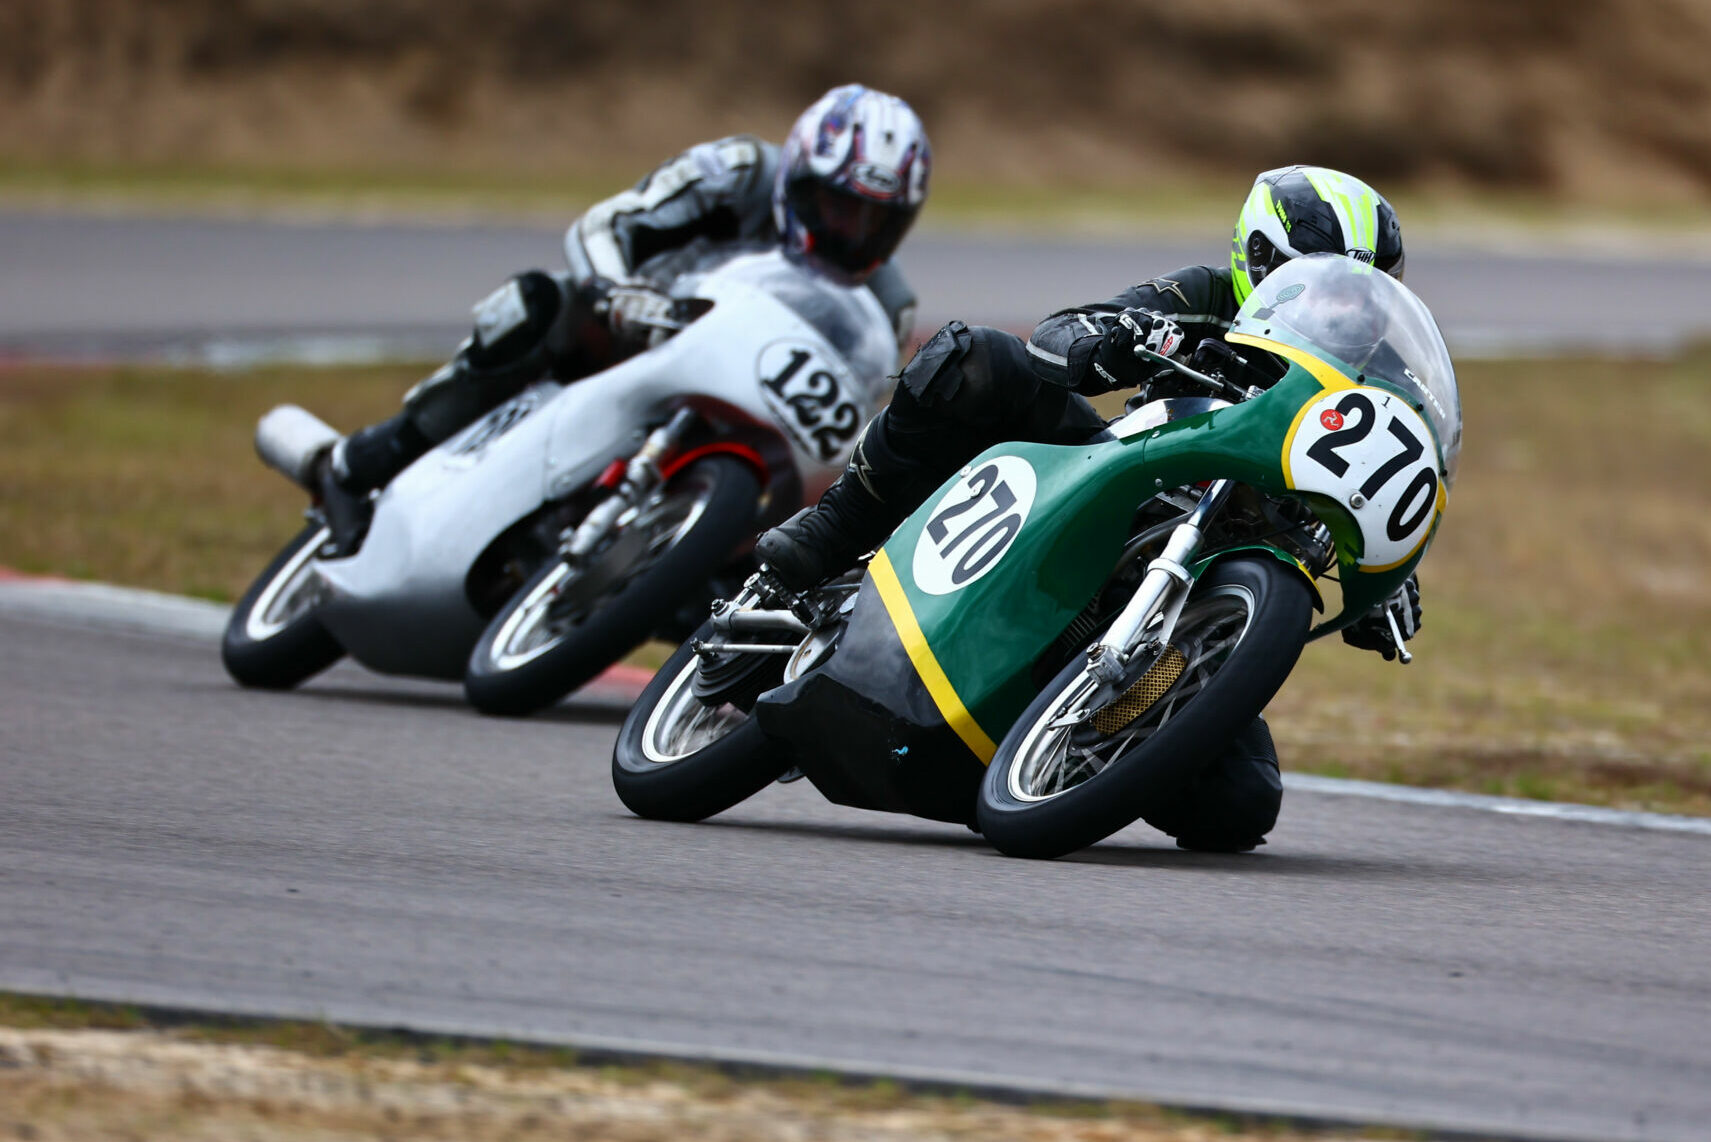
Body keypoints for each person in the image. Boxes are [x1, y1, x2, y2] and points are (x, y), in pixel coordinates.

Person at [755, 164, 1422, 852]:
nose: (1343, 310)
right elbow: (1069, 329)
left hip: (1206, 578)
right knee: (976, 361)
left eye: (1359, 295)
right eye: (1327, 288)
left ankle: (1060, 755)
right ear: (1261, 258)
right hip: (1115, 475)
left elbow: (1386, 477)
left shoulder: (1376, 377)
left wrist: (1389, 574)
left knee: (1241, 802)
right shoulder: (1209, 295)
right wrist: (1113, 338)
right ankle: (835, 528)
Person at [306, 84, 931, 554]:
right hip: (638, 334)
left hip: (755, 416)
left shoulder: (887, 301)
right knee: (538, 302)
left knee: (819, 521)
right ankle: (370, 459)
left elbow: (863, 397)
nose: (849, 231)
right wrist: (617, 292)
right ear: (797, 175)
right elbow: (608, 223)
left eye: (875, 220)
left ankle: (714, 649)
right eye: (835, 206)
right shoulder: (737, 171)